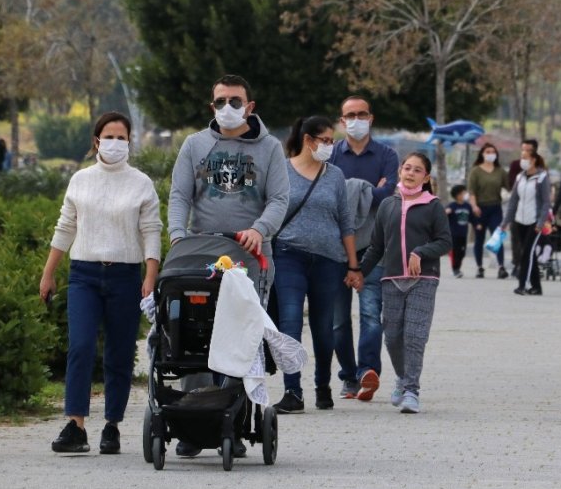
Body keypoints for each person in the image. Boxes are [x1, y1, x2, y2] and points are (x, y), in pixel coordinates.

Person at [168, 74, 289, 457]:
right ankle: (191, 425)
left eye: (235, 100)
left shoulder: (269, 148)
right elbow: (179, 195)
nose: (227, 108)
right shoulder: (195, 145)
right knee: (193, 335)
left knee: (238, 339)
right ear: (212, 106)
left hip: (249, 255)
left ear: (250, 107)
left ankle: (231, 424)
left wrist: (259, 229)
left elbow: (279, 199)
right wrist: (176, 236)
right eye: (220, 101)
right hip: (202, 250)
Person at [40, 111, 162, 455]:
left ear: (129, 142)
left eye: (121, 137)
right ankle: (76, 425)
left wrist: (150, 275)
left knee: (120, 353)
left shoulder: (141, 183)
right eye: (108, 136)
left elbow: (151, 230)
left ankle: (112, 425)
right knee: (80, 346)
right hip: (84, 274)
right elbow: (65, 227)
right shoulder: (80, 180)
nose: (115, 142)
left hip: (126, 275)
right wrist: (49, 273)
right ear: (97, 140)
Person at [348, 152, 451, 414]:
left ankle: (411, 391)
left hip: (423, 279)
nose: (410, 173)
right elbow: (377, 246)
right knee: (393, 337)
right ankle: (403, 378)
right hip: (391, 278)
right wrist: (359, 272)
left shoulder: (433, 205)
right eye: (407, 168)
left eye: (417, 170)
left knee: (415, 336)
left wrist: (420, 252)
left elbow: (445, 241)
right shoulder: (388, 206)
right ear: (400, 171)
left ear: (426, 177)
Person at [270, 116, 358, 414]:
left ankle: (323, 386)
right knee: (290, 320)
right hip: (288, 254)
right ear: (308, 140)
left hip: (328, 260)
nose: (330, 146)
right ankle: (292, 390)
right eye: (326, 140)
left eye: (332, 141)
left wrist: (353, 266)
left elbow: (346, 222)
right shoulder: (280, 170)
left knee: (323, 327)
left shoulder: (334, 176)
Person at [329, 95, 398, 402]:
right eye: (350, 115)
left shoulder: (387, 155)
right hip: (335, 249)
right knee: (338, 321)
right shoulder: (330, 155)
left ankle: (367, 371)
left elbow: (389, 195)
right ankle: (348, 376)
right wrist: (373, 189)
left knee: (371, 315)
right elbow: (326, 194)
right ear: (342, 121)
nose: (356, 120)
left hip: (374, 247)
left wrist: (357, 190)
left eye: (362, 114)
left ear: (371, 117)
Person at [502, 153, 551, 295]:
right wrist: (506, 222)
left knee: (527, 253)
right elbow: (513, 201)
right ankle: (537, 287)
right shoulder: (520, 177)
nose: (523, 161)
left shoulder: (542, 177)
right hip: (519, 221)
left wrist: (541, 222)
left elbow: (546, 202)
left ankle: (522, 284)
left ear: (534, 160)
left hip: (534, 222)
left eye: (526, 158)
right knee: (528, 254)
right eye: (522, 158)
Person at [467, 142, 509, 279]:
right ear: (482, 154)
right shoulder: (476, 171)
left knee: (497, 237)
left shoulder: (500, 171)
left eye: (493, 151)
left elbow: (509, 186)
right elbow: (471, 191)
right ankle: (480, 267)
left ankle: (501, 266)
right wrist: (474, 206)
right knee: (479, 238)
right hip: (480, 208)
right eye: (488, 152)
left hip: (495, 207)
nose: (491, 154)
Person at [506, 139, 540, 276]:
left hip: (533, 211)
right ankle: (517, 264)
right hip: (518, 209)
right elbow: (511, 185)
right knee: (516, 238)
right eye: (523, 149)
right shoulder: (516, 166)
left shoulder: (540, 168)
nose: (524, 153)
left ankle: (528, 267)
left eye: (528, 150)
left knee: (529, 242)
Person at [445, 184, 473, 278]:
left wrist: (478, 225)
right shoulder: (452, 206)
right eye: (463, 193)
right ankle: (455, 269)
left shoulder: (467, 206)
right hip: (453, 234)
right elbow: (443, 217)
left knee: (462, 252)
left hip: (463, 234)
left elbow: (472, 218)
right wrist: (446, 212)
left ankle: (458, 268)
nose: (465, 194)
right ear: (457, 195)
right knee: (455, 252)